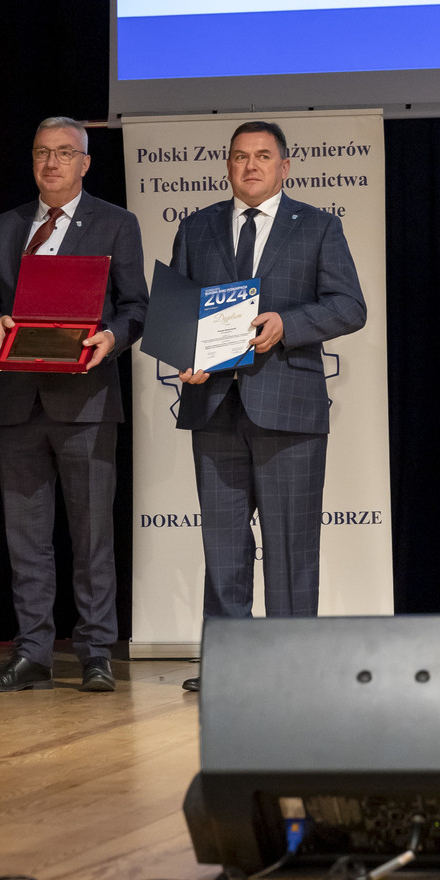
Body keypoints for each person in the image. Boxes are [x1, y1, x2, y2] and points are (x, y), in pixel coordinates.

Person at [170, 121, 367, 691]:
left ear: (285, 166)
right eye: (239, 156)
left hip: (289, 404)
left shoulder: (318, 226)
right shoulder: (197, 226)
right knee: (223, 545)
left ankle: (292, 665)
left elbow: (349, 306)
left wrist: (288, 324)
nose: (250, 166)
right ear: (228, 166)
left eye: (262, 156)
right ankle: (231, 664)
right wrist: (184, 355)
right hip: (213, 404)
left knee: (291, 544)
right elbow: (177, 312)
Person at [0, 117, 148, 693]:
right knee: (26, 540)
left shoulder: (116, 223)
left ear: (86, 163)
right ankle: (33, 654)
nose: (52, 162)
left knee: (92, 537)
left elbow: (136, 305)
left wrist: (112, 338)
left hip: (87, 400)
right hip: (18, 402)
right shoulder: (4, 226)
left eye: (65, 153)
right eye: (42, 152)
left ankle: (96, 652)